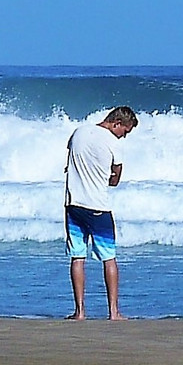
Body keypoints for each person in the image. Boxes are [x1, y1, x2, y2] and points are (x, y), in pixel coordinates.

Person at [63, 106, 138, 320]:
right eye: (125, 131)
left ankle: (79, 311)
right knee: (109, 258)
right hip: (97, 206)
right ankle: (113, 312)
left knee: (78, 256)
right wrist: (109, 178)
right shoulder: (113, 143)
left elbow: (69, 162)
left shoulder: (78, 132)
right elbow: (115, 179)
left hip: (73, 204)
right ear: (116, 124)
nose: (124, 136)